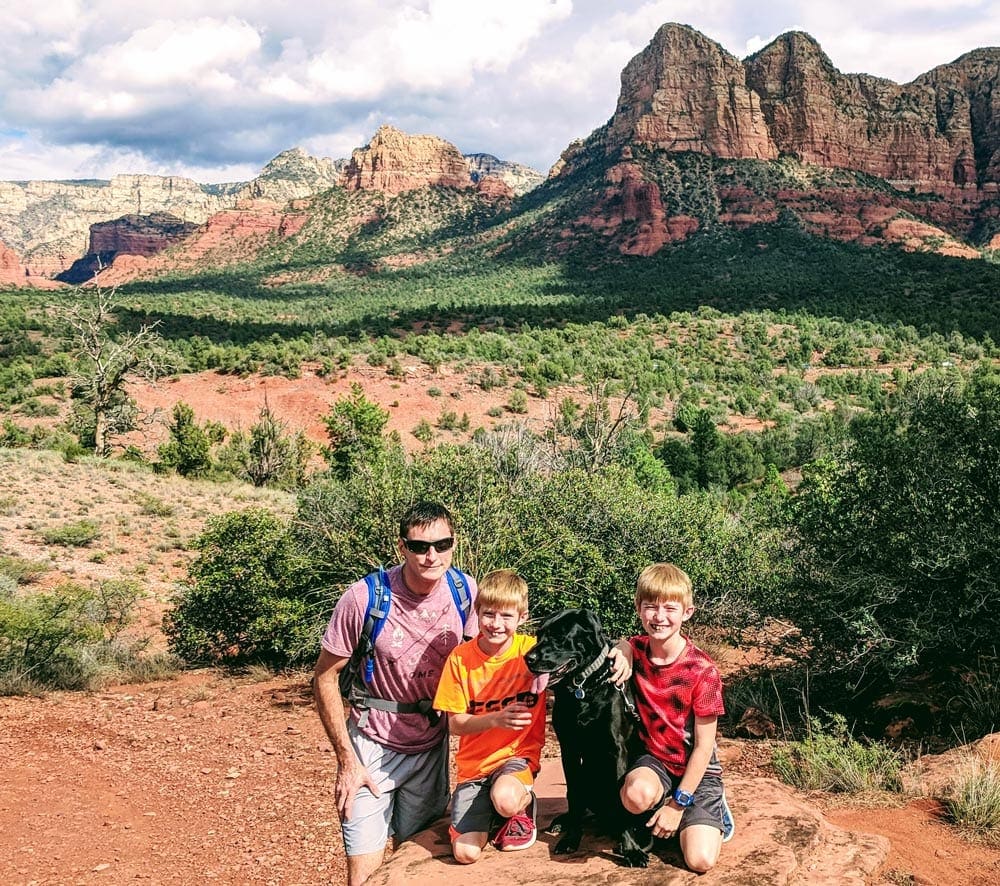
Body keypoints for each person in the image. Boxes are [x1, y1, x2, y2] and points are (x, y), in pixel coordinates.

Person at [313, 501, 479, 886]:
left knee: (416, 869)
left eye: (442, 544)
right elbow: (324, 677)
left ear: (454, 544)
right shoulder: (365, 597)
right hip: (370, 748)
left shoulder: (465, 591)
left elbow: (480, 665)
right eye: (420, 546)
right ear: (401, 547)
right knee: (365, 875)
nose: (431, 555)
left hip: (429, 748)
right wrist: (346, 760)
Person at [619, 562, 734, 873]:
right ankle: (662, 808)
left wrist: (678, 804)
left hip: (699, 773)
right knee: (634, 794)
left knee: (700, 861)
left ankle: (702, 810)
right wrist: (622, 649)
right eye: (651, 607)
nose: (659, 616)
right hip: (656, 762)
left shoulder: (703, 671)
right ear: (638, 608)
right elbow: (624, 642)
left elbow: (703, 746)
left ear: (687, 612)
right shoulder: (636, 649)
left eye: (670, 608)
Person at [432, 569, 547, 864]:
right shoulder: (460, 658)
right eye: (489, 615)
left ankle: (519, 807)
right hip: (474, 769)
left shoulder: (533, 651)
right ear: (477, 612)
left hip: (516, 757)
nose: (496, 625)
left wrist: (622, 651)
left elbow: (581, 648)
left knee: (506, 798)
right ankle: (492, 815)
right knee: (466, 853)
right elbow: (455, 723)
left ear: (522, 617)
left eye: (507, 616)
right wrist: (496, 719)